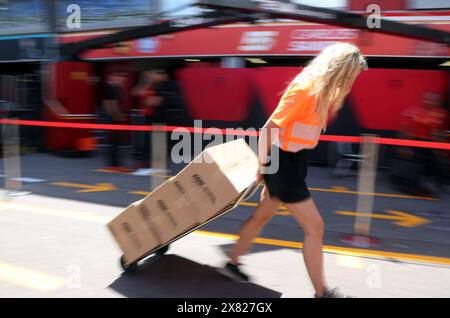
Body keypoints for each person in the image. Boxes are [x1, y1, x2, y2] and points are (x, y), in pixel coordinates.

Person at [218, 43, 368, 298]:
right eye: (351, 76)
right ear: (340, 70)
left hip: (294, 161)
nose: (352, 82)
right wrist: (261, 166)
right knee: (315, 227)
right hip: (282, 164)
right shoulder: (305, 90)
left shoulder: (320, 93)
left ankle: (232, 263)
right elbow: (269, 128)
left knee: (261, 216)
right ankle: (322, 293)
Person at [102, 69, 128, 171]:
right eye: (119, 77)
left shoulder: (116, 87)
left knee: (116, 142)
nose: (121, 79)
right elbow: (110, 104)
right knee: (114, 141)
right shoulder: (110, 87)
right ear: (112, 77)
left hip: (115, 118)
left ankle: (115, 163)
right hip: (113, 119)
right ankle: (114, 164)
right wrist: (119, 116)